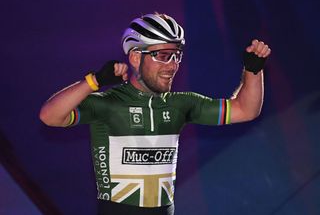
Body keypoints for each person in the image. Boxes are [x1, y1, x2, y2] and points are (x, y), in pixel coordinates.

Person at [39, 13, 271, 215]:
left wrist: (253, 69)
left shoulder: (181, 104)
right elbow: (50, 116)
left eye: (176, 55)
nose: (172, 65)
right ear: (135, 57)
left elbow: (245, 110)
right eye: (162, 55)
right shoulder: (109, 103)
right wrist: (94, 81)